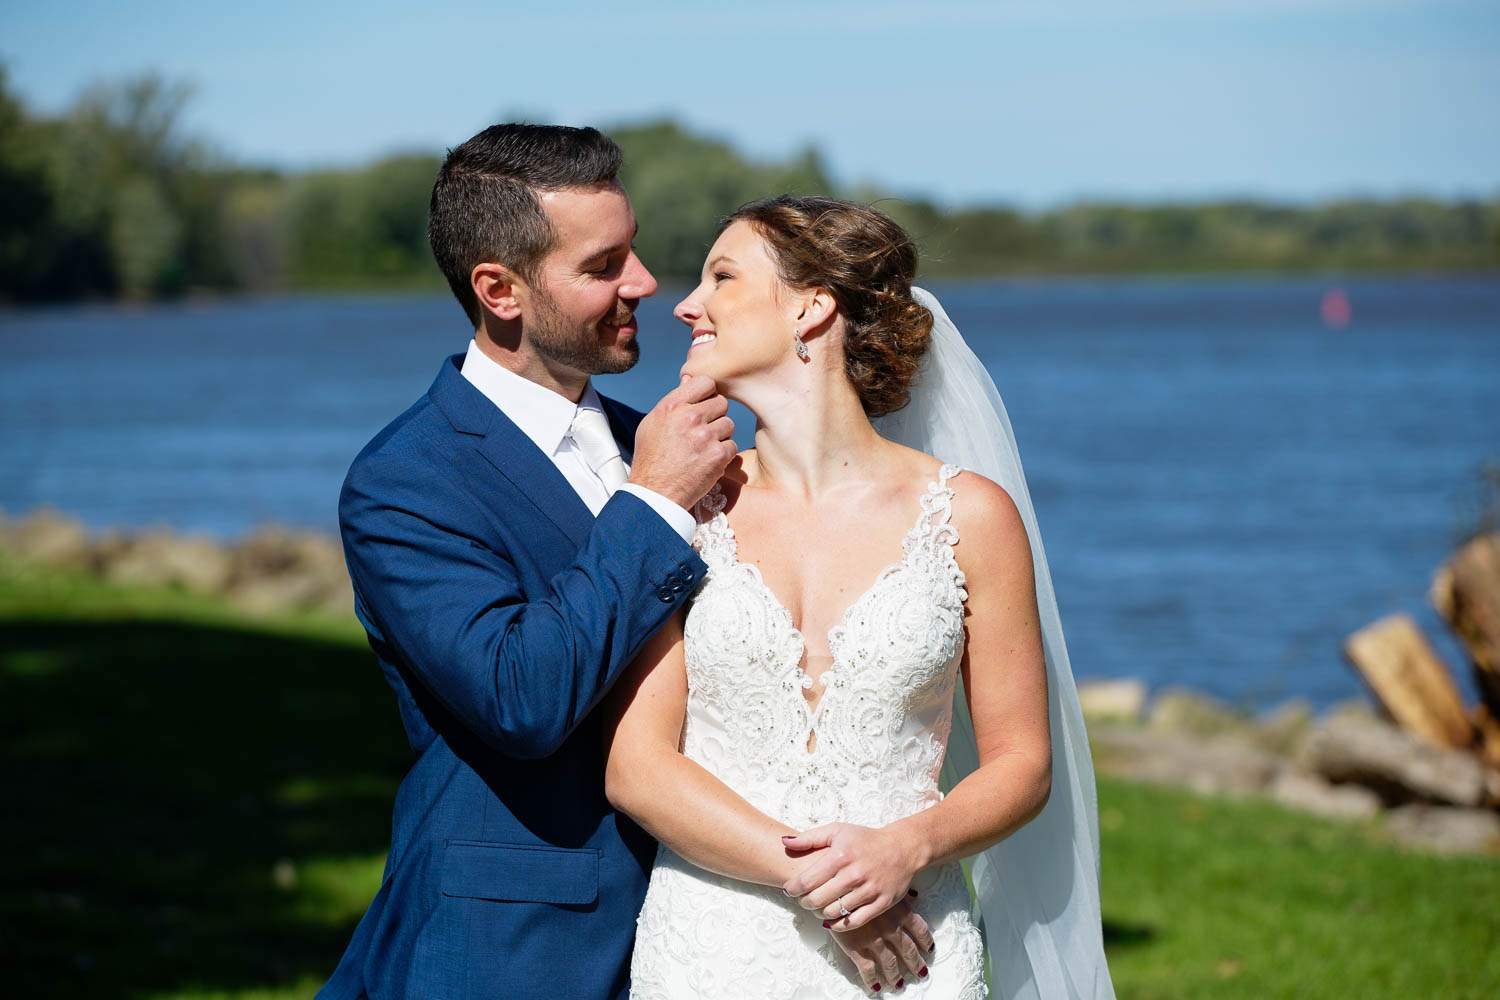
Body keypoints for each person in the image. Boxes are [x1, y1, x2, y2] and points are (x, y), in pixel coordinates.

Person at [606, 197, 1116, 998]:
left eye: (722, 277)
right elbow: (637, 766)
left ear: (813, 307)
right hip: (713, 950)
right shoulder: (687, 508)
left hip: (911, 948)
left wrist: (905, 847)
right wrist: (831, 886)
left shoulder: (970, 515)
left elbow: (1022, 765)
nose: (686, 304)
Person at [318, 124, 738, 999]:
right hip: (513, 950)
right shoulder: (406, 481)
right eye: (603, 265)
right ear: (499, 289)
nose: (645, 282)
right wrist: (656, 503)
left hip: (709, 924)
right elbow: (521, 697)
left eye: (634, 250)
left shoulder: (651, 439)